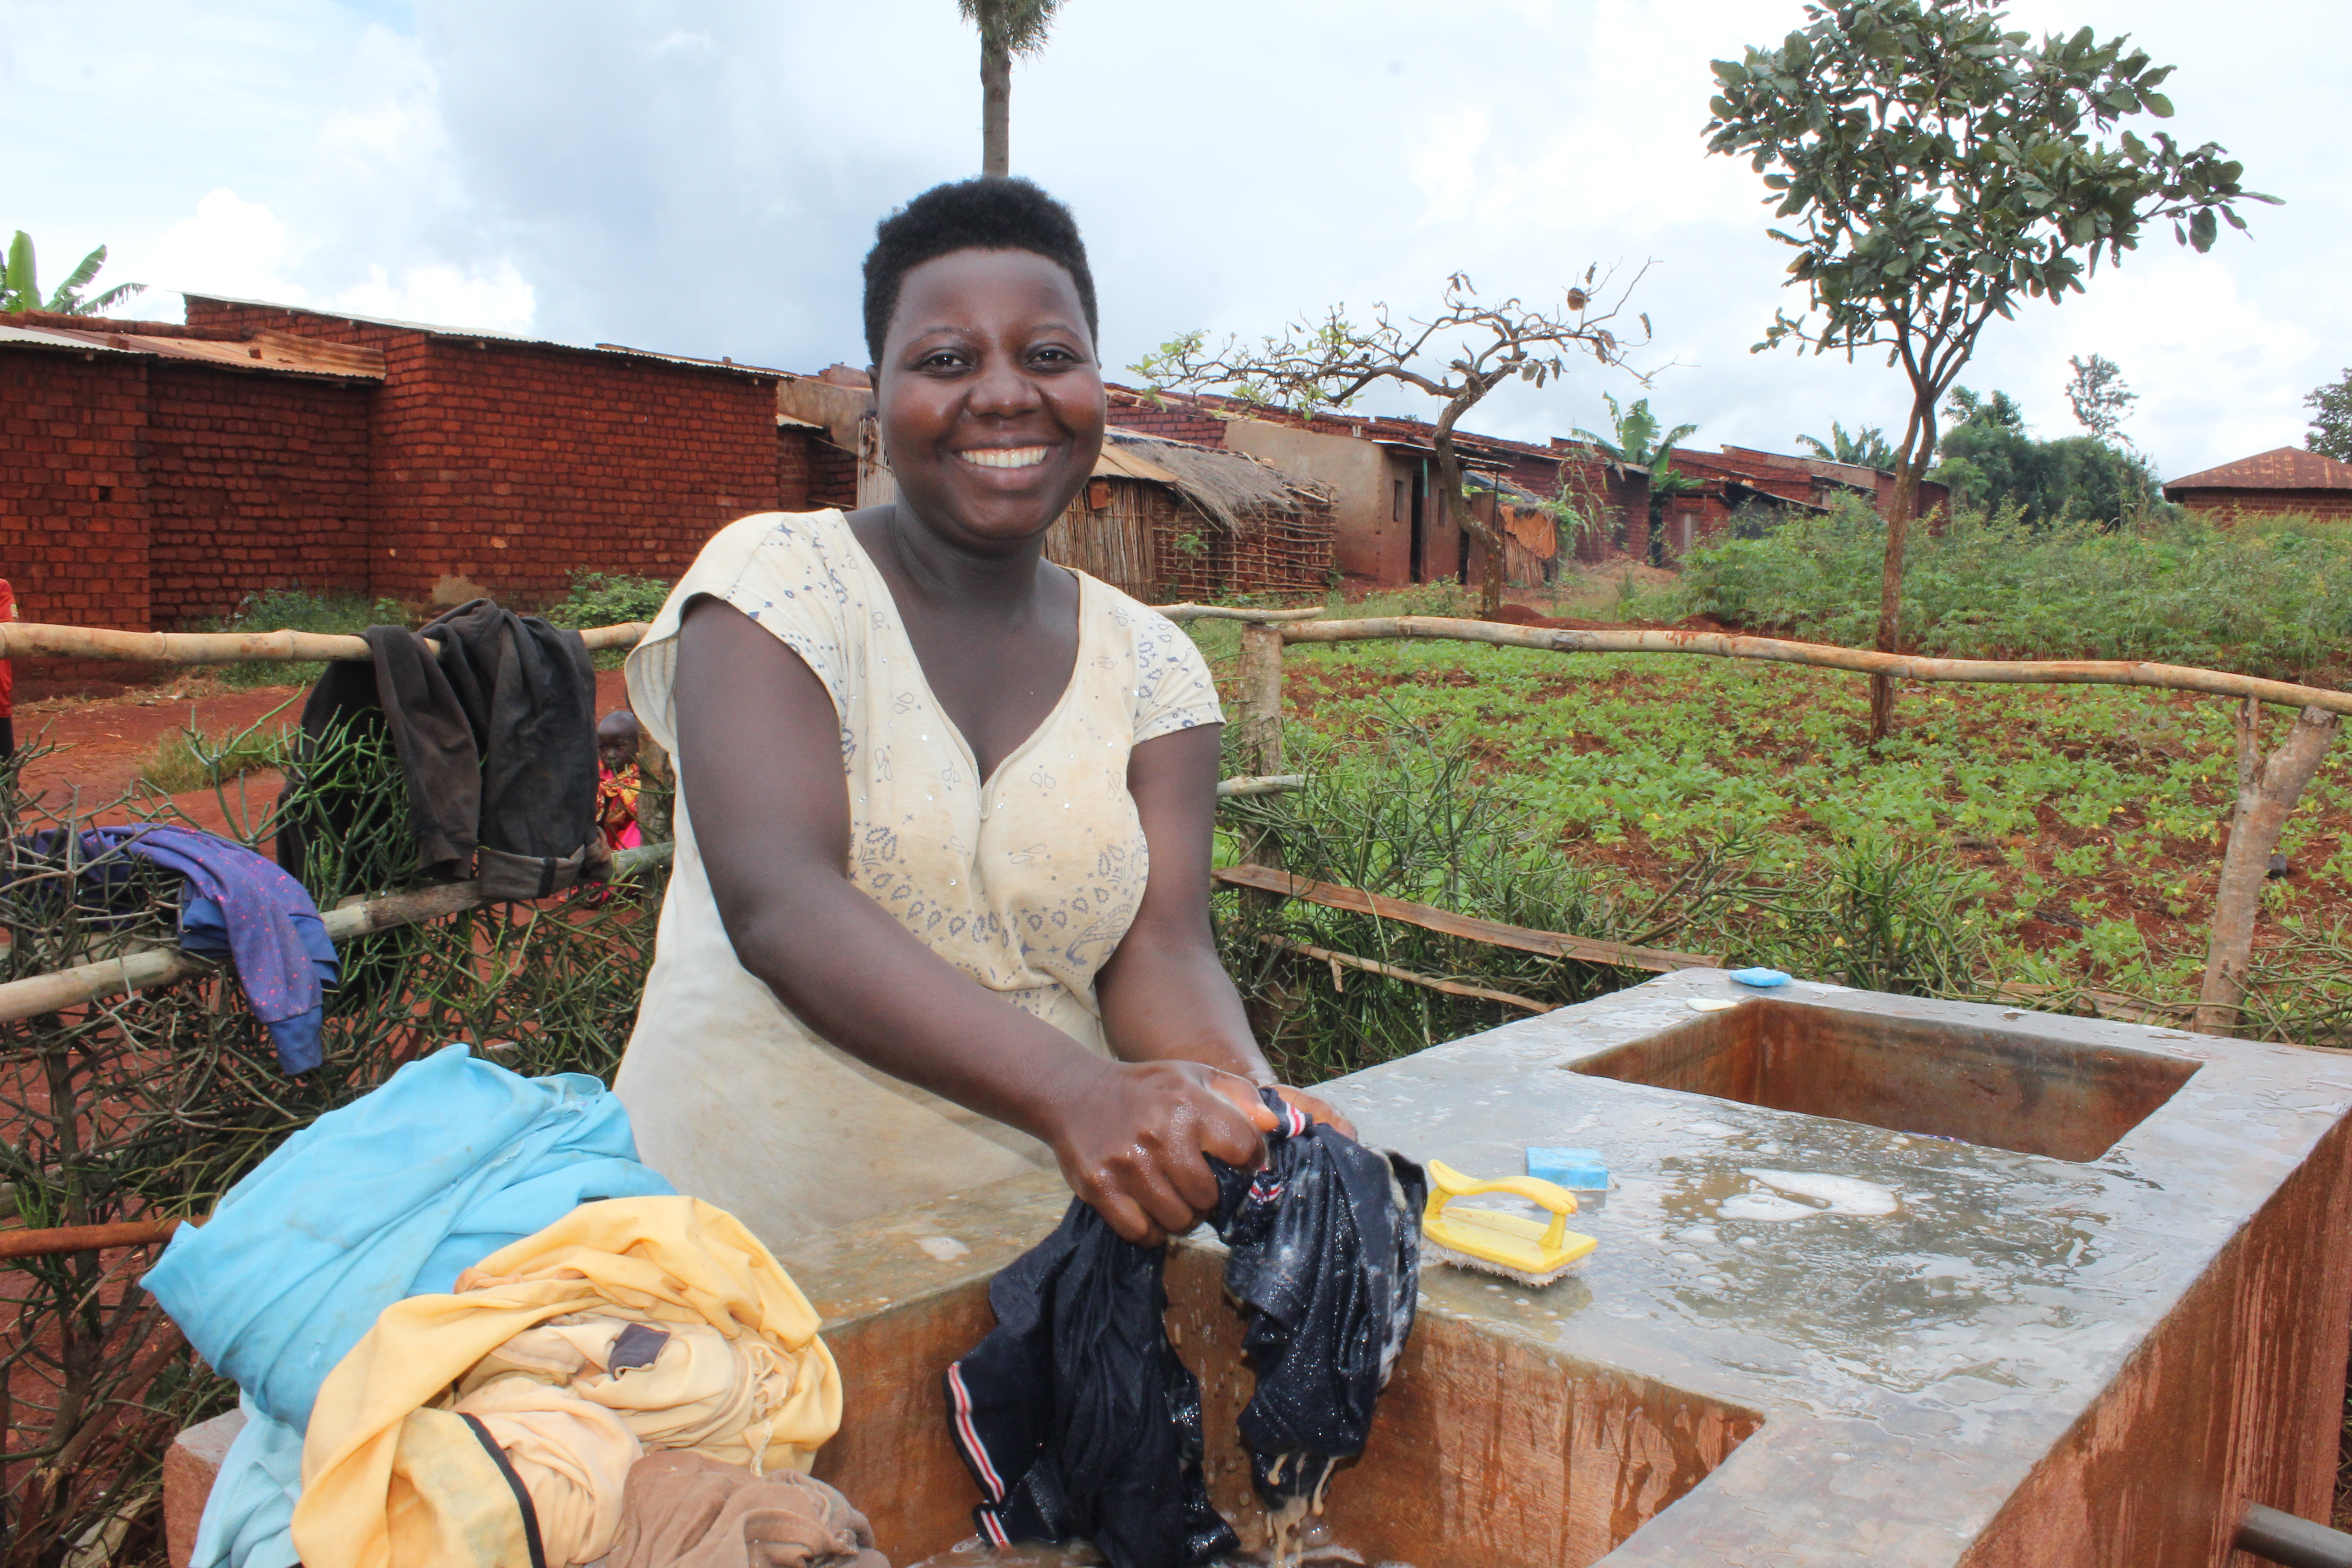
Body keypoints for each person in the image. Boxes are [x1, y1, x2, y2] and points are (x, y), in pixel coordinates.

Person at [616, 178, 1349, 1251]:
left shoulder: (1154, 666)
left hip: (1023, 1256)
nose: (1005, 394)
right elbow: (782, 901)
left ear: (1097, 383)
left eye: (1048, 355)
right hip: (734, 1238)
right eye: (947, 360)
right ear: (880, 396)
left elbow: (1161, 950)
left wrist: (1249, 1101)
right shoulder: (779, 582)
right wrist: (1079, 1091)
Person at [596, 709, 643, 852]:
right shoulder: (598, 774)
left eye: (619, 748)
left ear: (638, 746)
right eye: (602, 747)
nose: (610, 755)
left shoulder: (641, 781)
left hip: (626, 847)